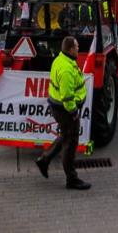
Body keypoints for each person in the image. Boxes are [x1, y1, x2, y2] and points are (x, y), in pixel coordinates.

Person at [35, 36, 90, 190]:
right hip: (66, 111)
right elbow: (67, 97)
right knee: (70, 144)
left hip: (59, 109)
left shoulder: (61, 60)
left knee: (65, 136)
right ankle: (71, 179)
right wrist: (73, 112)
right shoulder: (66, 69)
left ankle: (44, 160)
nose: (79, 48)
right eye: (77, 46)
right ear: (71, 49)